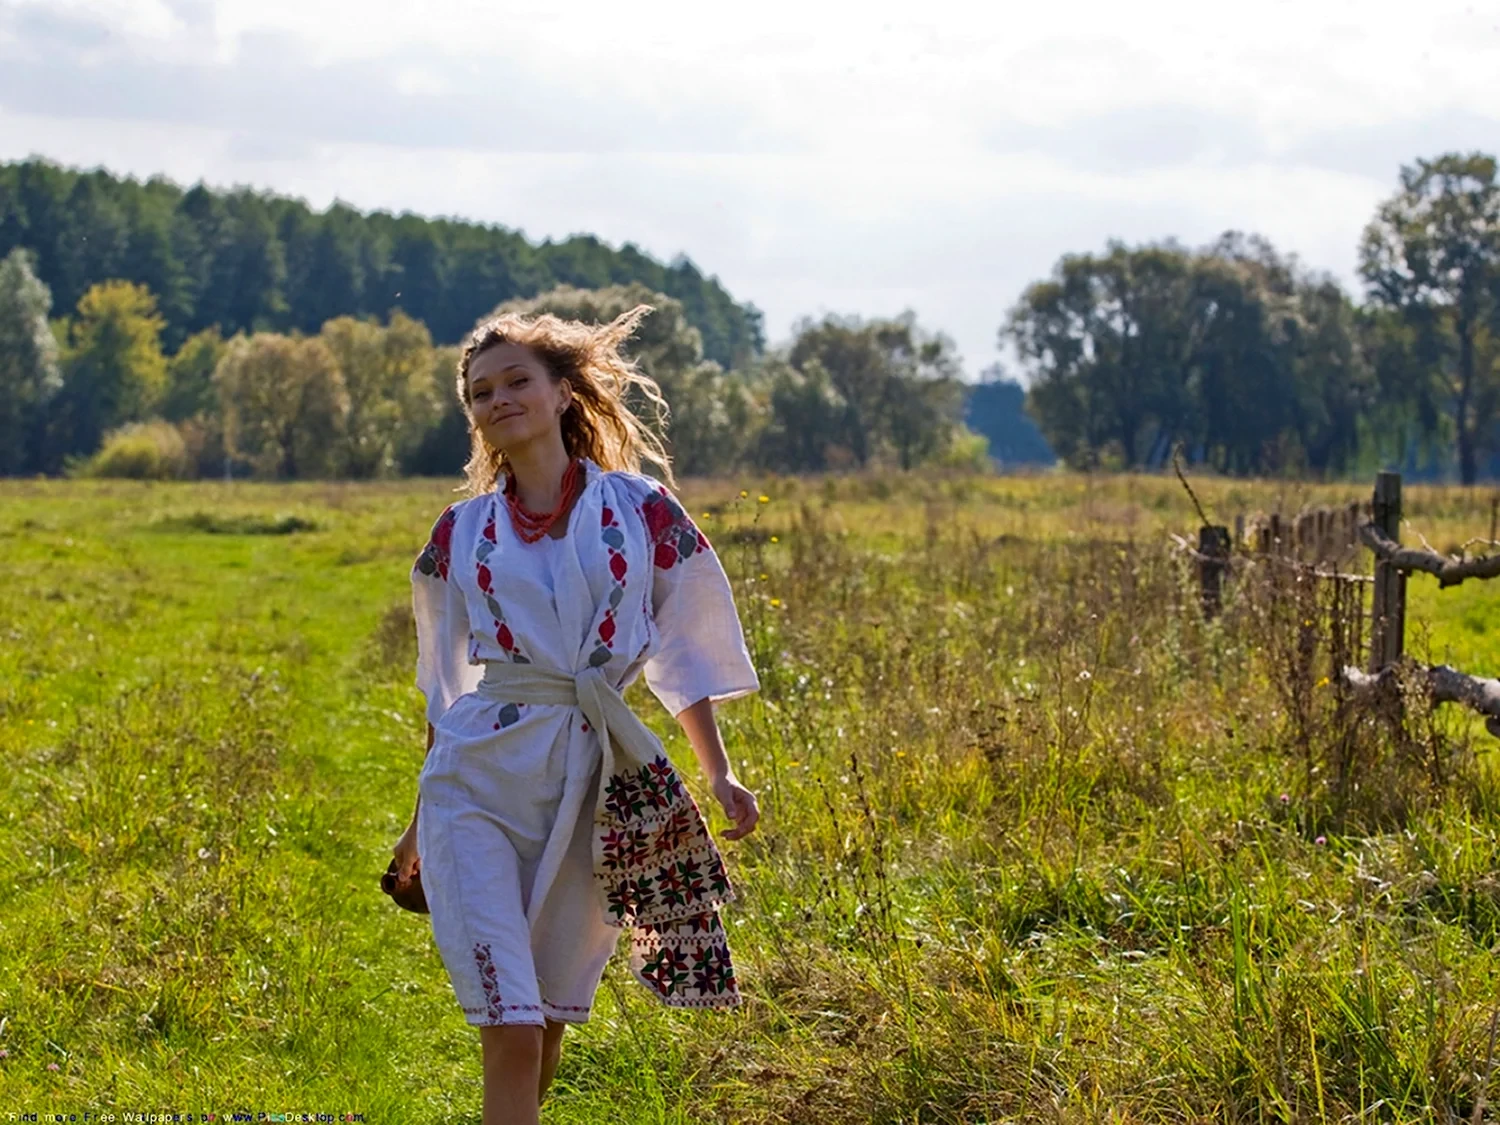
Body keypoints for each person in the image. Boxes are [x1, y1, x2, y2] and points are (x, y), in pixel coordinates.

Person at [390, 302, 761, 1124]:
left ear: (563, 393)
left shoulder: (641, 510)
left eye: (516, 380)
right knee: (511, 1025)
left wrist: (719, 770)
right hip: (476, 782)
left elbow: (682, 646)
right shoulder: (462, 531)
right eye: (480, 392)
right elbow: (443, 686)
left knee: (549, 1019)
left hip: (591, 779)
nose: (498, 400)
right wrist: (419, 817)